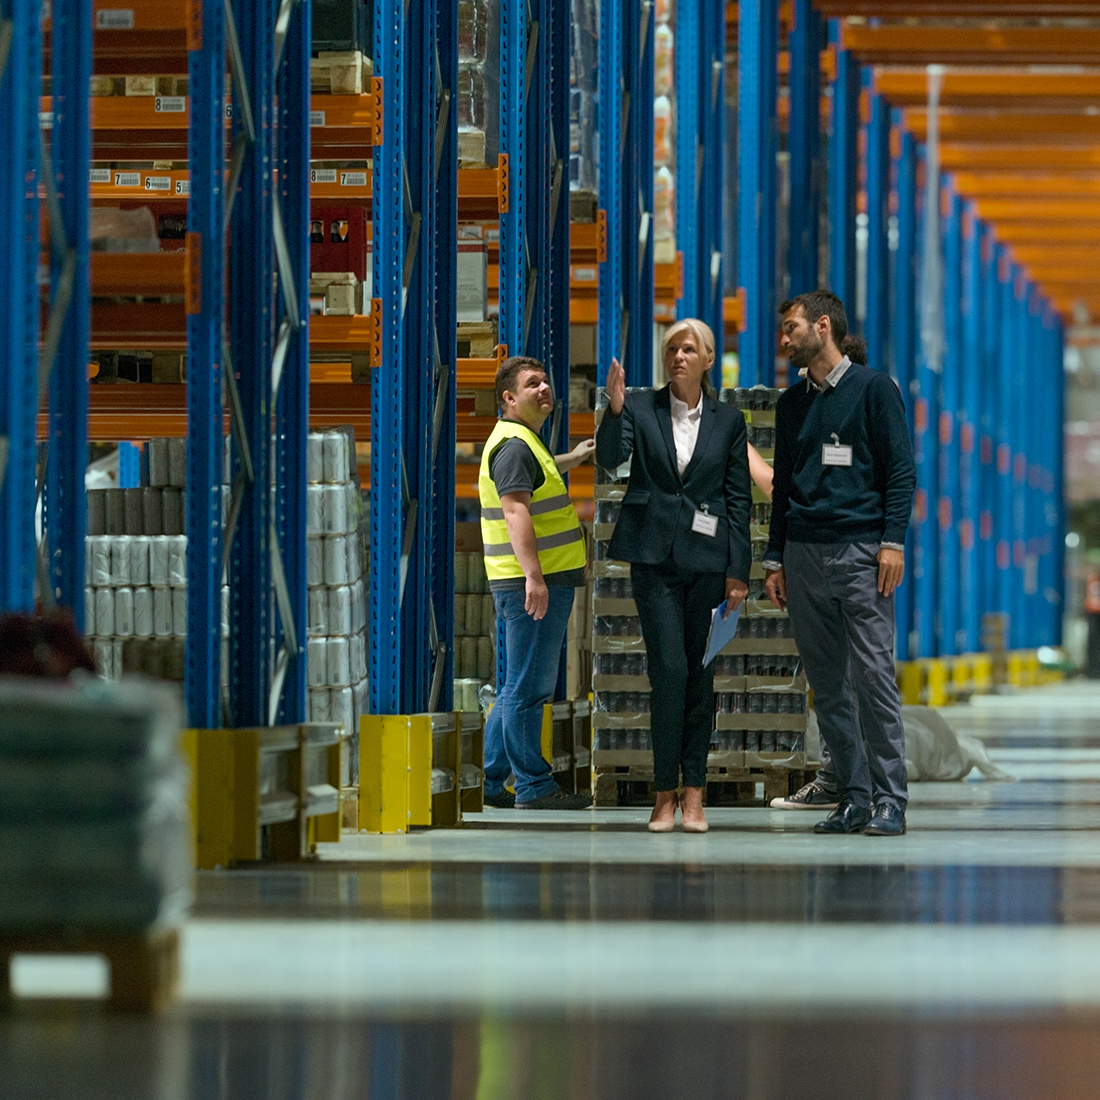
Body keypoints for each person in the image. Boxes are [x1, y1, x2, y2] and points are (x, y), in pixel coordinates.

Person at [763, 291, 916, 836]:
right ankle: (852, 798)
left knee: (873, 676)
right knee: (827, 684)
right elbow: (783, 486)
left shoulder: (875, 390)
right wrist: (774, 556)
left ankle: (889, 799)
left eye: (790, 328)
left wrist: (891, 542)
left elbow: (900, 472)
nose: (784, 340)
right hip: (803, 555)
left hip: (860, 553)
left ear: (822, 326)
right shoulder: (791, 404)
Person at [596, 318, 752, 833]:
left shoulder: (729, 421)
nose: (678, 357)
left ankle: (695, 797)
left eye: (688, 349)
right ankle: (663, 796)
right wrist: (615, 410)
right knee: (669, 672)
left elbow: (736, 500)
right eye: (671, 349)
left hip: (708, 565)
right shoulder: (640, 407)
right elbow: (612, 462)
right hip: (655, 561)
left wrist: (738, 572)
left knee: (701, 678)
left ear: (708, 359)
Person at [479, 356, 596, 810]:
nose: (545, 388)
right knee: (530, 687)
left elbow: (536, 476)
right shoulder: (513, 445)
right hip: (530, 583)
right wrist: (535, 578)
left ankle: (490, 780)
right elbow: (515, 511)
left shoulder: (525, 441)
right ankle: (533, 786)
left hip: (533, 581)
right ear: (509, 398)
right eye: (533, 384)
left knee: (515, 684)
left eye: (546, 381)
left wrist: (574, 458)